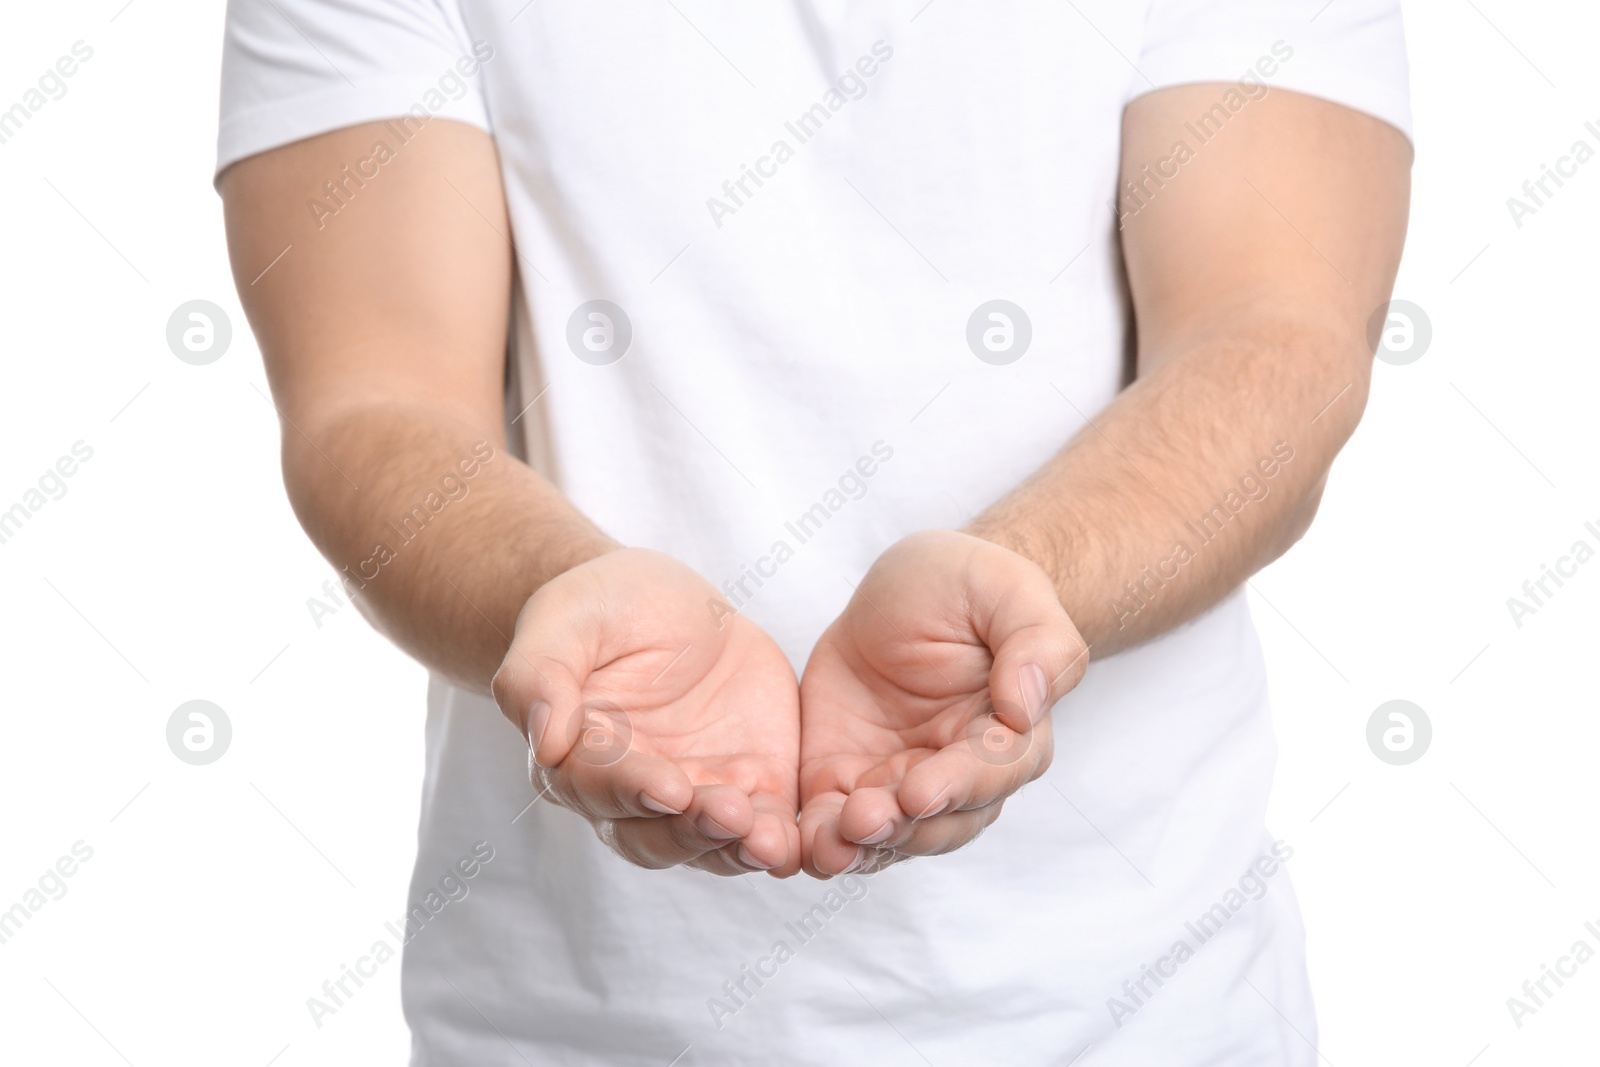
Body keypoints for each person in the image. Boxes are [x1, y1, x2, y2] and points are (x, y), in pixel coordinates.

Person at [216, 1, 1411, 1063]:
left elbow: (1274, 340)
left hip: (1142, 1009)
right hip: (566, 1022)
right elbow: (374, 400)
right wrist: (559, 592)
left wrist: (1026, 585)